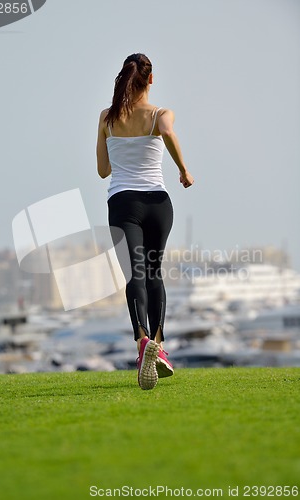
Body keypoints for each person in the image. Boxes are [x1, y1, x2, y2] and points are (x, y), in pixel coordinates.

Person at [97, 53, 194, 390]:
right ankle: (160, 345)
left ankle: (142, 343)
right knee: (154, 272)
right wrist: (183, 169)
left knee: (134, 274)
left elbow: (103, 170)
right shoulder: (160, 114)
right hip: (158, 203)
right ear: (151, 80)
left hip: (123, 203)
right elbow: (167, 131)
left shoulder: (107, 118)